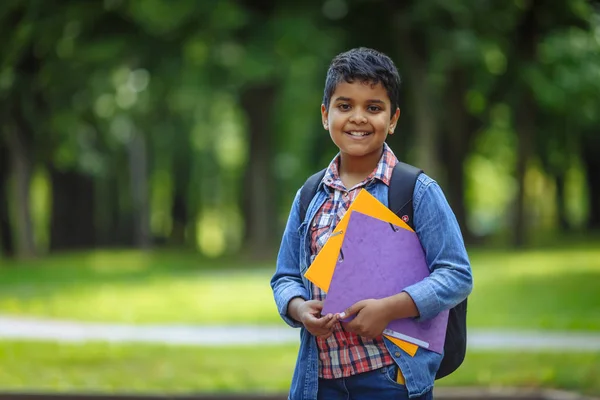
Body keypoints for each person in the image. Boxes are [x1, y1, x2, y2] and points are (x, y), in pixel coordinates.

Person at [270, 47, 473, 400]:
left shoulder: (415, 191)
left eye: (373, 108)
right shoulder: (309, 196)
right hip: (319, 381)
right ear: (325, 114)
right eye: (345, 106)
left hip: (389, 377)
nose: (358, 117)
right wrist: (300, 309)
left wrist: (390, 308)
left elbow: (456, 274)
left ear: (393, 119)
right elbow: (285, 277)